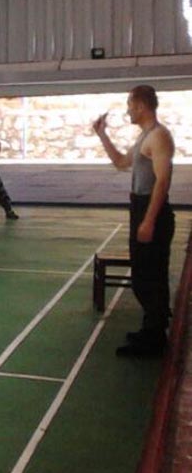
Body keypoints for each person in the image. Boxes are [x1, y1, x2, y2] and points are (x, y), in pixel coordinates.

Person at [94, 85, 176, 357]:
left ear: (141, 106)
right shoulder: (145, 137)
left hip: (152, 211)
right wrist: (102, 134)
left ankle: (154, 340)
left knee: (150, 277)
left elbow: (162, 181)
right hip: (140, 208)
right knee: (143, 275)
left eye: (130, 105)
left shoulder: (159, 136)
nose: (128, 110)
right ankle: (151, 329)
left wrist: (149, 221)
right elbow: (120, 162)